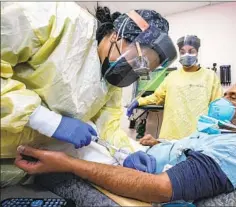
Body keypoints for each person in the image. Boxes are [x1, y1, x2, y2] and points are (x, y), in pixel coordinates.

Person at [15, 76, 236, 205]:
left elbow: (161, 188)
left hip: (141, 186)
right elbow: (188, 152)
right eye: (224, 94)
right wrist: (158, 144)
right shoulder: (217, 134)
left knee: (54, 168)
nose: (221, 101)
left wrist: (70, 165)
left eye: (233, 98)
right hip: (134, 162)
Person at [0, 2, 177, 187]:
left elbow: (107, 125)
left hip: (27, 157)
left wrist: (124, 153)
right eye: (137, 60)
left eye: (143, 69)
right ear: (117, 34)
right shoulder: (58, 20)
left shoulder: (111, 81)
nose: (133, 71)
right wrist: (43, 119)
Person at [127, 35, 223, 140]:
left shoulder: (210, 76)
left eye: (191, 51)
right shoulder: (172, 76)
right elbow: (157, 97)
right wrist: (138, 102)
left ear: (197, 52)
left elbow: (217, 106)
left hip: (198, 136)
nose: (186, 55)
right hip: (171, 136)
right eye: (182, 52)